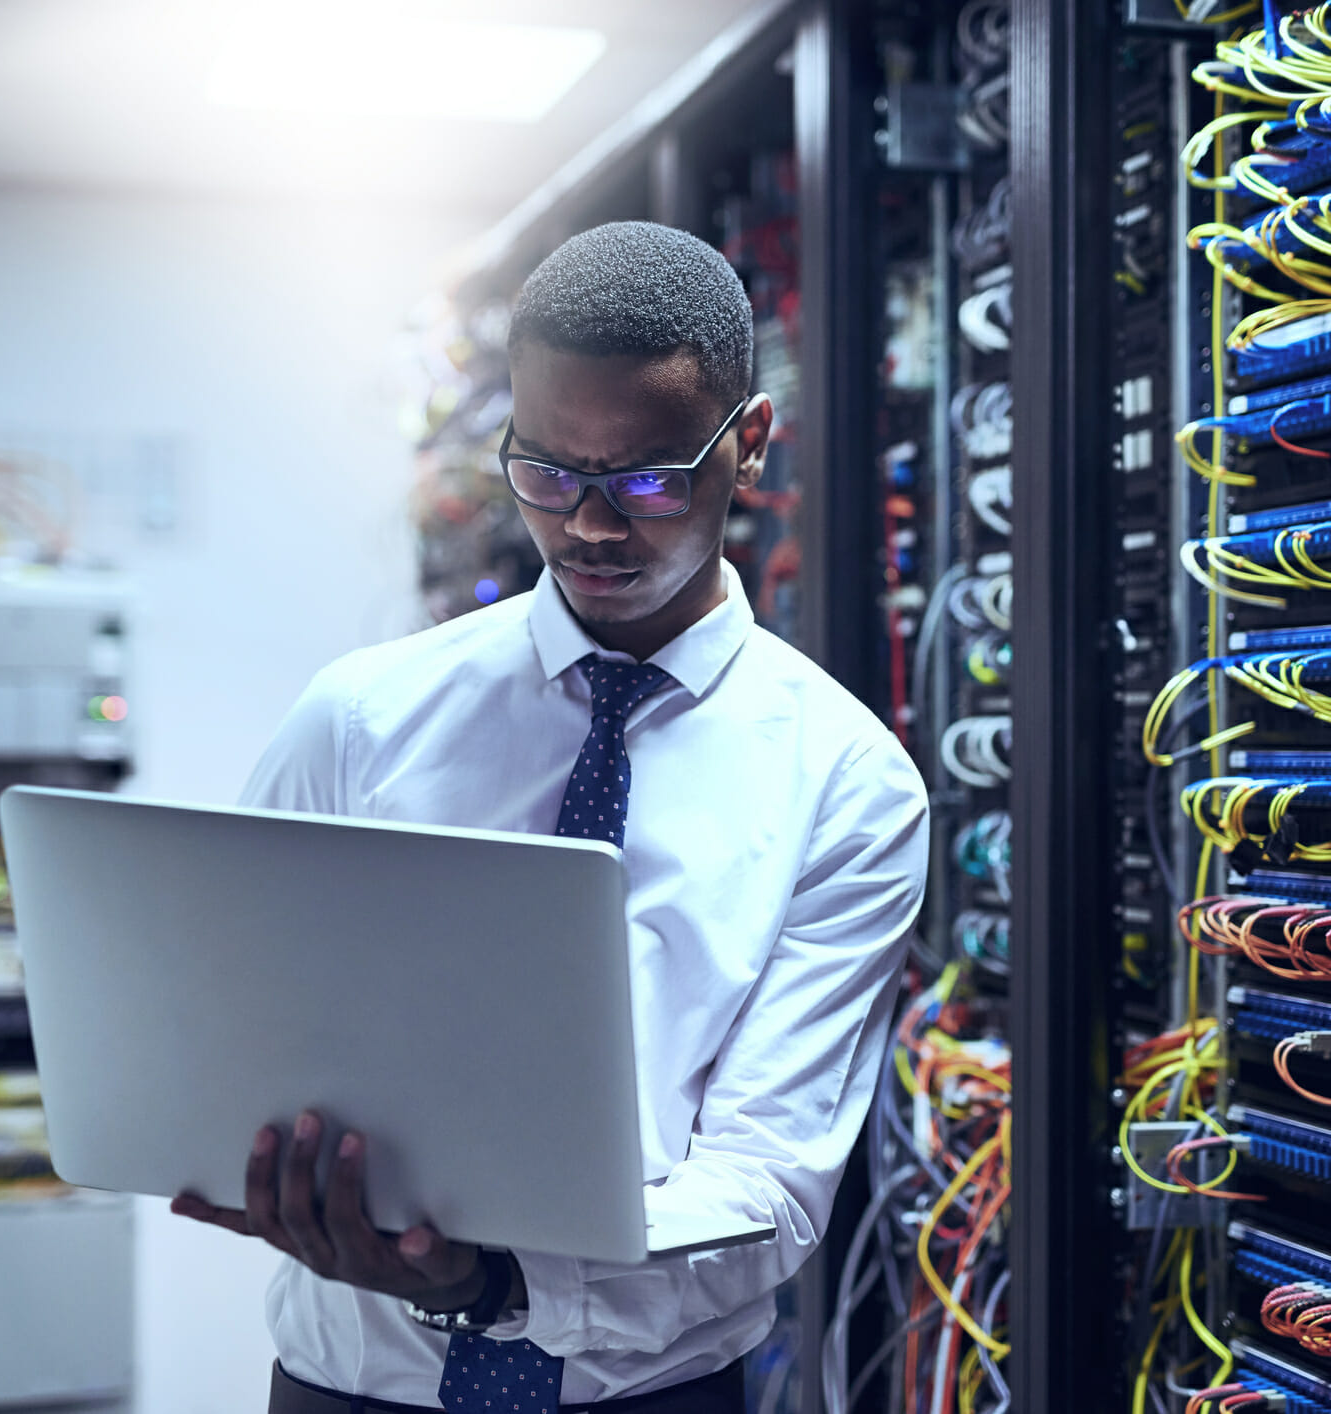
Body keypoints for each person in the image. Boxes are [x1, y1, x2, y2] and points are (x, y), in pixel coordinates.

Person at [171, 220, 931, 1414]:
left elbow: (770, 1184)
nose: (588, 524)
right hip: (346, 1392)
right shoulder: (362, 717)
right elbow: (227, 1021)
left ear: (751, 445)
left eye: (645, 478)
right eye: (547, 473)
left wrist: (497, 1281)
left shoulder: (844, 782)